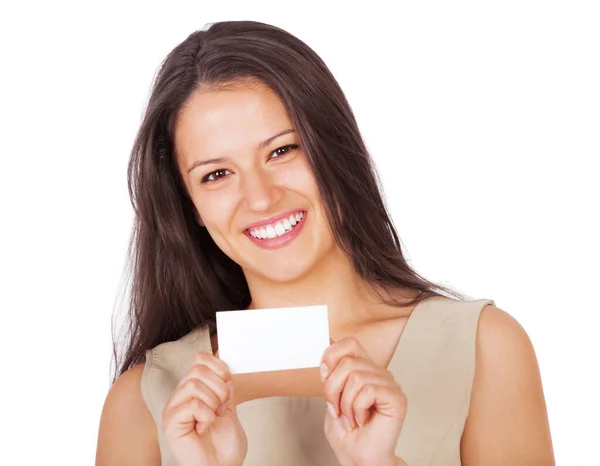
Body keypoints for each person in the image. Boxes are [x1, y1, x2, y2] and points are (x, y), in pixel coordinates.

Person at [95, 20, 554, 466]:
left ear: (331, 147)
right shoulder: (142, 402)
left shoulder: (483, 349)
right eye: (216, 174)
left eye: (282, 150)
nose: (260, 198)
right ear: (190, 204)